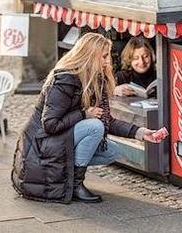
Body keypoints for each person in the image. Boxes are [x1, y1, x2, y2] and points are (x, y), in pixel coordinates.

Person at [11, 33, 168, 203]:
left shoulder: (94, 79)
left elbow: (106, 119)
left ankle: (67, 174)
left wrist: (141, 132)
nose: (108, 61)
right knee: (94, 126)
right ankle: (76, 184)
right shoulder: (65, 80)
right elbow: (50, 125)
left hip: (58, 140)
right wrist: (84, 114)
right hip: (40, 144)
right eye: (104, 56)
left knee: (111, 151)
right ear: (90, 56)